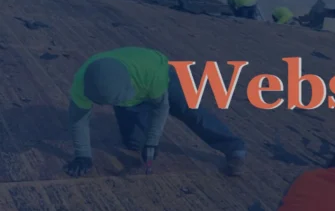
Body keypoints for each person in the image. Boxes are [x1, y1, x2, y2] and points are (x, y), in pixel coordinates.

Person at [64, 47, 247, 177]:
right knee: (134, 143)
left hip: (161, 77)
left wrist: (153, 142)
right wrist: (83, 155)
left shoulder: (151, 75)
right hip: (131, 93)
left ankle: (234, 148)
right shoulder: (83, 83)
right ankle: (138, 116)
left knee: (191, 111)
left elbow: (161, 108)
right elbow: (78, 120)